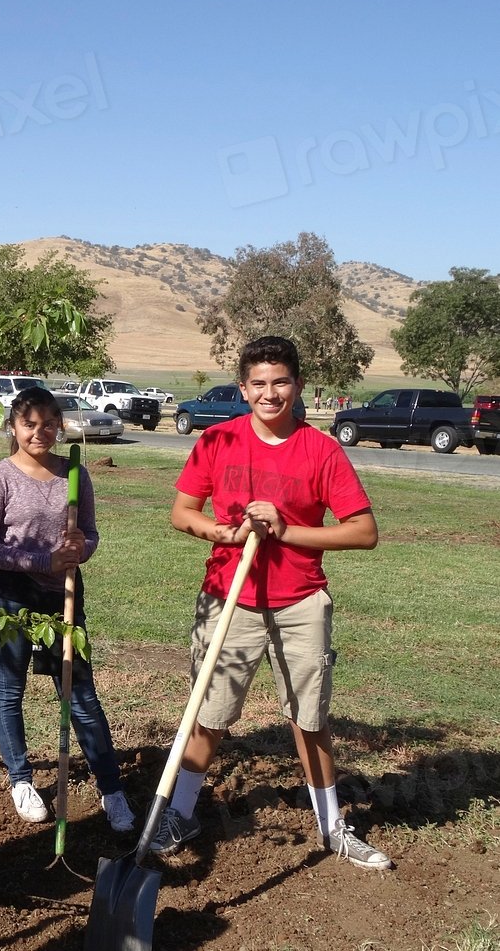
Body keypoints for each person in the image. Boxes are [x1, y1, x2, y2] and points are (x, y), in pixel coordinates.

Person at [156, 335, 391, 870]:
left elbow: (363, 532)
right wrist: (222, 532)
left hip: (300, 601)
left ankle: (333, 829)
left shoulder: (321, 450)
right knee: (208, 713)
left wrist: (286, 531)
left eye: (280, 382)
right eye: (258, 384)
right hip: (227, 599)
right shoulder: (217, 441)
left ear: (298, 385)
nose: (269, 393)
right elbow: (182, 513)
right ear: (242, 388)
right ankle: (182, 813)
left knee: (309, 718)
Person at [0, 386, 135, 831]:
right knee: (10, 688)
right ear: (13, 427)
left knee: (80, 694)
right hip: (6, 596)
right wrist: (43, 560)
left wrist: (81, 550)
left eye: (47, 424)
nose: (39, 432)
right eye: (29, 424)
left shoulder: (75, 475)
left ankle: (111, 788)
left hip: (61, 595)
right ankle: (21, 780)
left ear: (59, 427)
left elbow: (91, 535)